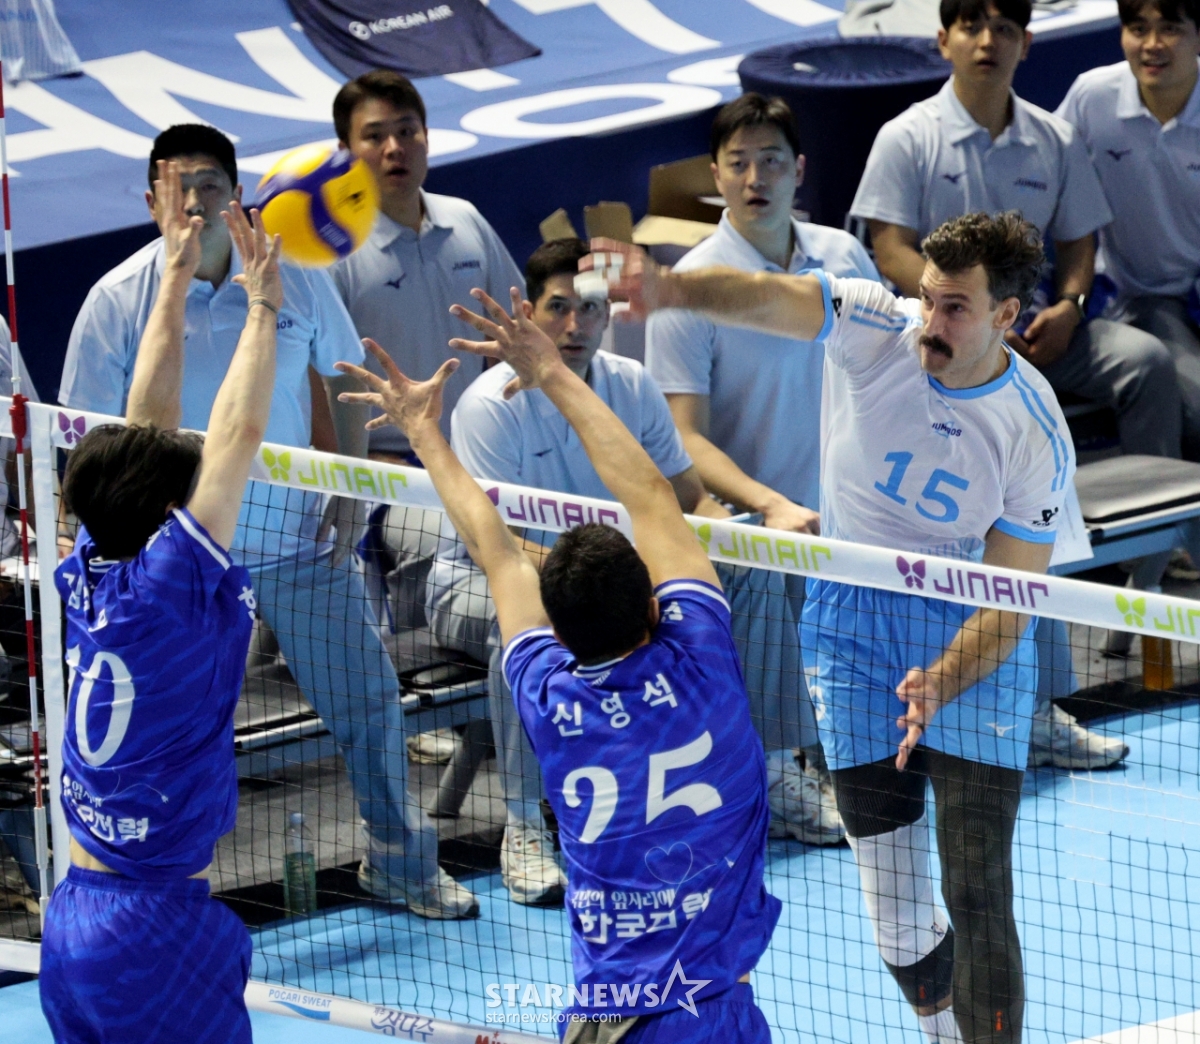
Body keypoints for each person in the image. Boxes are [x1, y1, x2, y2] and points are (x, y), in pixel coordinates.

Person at [590, 210, 1073, 1043]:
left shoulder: (1034, 427)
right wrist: (671, 288)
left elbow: (1009, 601)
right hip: (851, 627)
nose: (930, 321)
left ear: (1005, 314)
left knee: (976, 888)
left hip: (972, 642)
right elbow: (767, 297)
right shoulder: (877, 326)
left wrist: (942, 678)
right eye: (928, 297)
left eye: (955, 308)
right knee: (895, 914)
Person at [332, 290, 782, 1043]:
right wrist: (550, 370)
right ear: (654, 608)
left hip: (601, 1020)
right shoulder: (702, 661)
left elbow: (497, 552)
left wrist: (422, 431)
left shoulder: (544, 688)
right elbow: (649, 493)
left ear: (559, 629)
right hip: (704, 1014)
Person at [59, 125, 477, 918]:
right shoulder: (118, 299)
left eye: (209, 185)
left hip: (296, 544)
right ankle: (173, 892)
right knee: (181, 736)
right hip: (176, 572)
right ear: (150, 201)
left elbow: (345, 378)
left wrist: (349, 491)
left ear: (237, 193)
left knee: (367, 705)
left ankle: (402, 863)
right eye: (176, 189)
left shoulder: (294, 275)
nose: (193, 204)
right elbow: (85, 441)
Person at [850, 0, 1147, 770]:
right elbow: (888, 246)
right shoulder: (907, 137)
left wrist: (1070, 306)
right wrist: (963, 318)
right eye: (972, 27)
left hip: (1035, 337)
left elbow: (1080, 242)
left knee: (1139, 373)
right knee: (992, 533)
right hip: (942, 349)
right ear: (943, 39)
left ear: (1025, 42)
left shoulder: (1054, 136)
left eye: (1004, 28)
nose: (988, 41)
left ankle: (1119, 619)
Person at [426, 237, 733, 904]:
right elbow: (493, 546)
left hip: (609, 581)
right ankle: (522, 826)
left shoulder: (631, 383)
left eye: (589, 308)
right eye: (558, 307)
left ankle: (769, 767)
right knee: (524, 628)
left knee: (746, 575)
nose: (574, 324)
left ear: (609, 314)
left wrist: (735, 539)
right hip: (479, 582)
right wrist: (613, 584)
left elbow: (685, 494)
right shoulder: (490, 404)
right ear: (529, 313)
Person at [38, 184, 276, 1043]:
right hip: (153, 930)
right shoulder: (168, 587)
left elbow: (143, 426)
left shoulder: (86, 565)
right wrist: (262, 307)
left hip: (73, 914)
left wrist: (174, 280)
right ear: (168, 517)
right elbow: (235, 437)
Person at [645, 92, 884, 842]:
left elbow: (886, 372)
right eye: (739, 163)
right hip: (754, 520)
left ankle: (1010, 720)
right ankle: (780, 773)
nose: (756, 179)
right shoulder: (690, 286)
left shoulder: (842, 258)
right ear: (716, 175)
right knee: (758, 571)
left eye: (771, 161)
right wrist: (771, 504)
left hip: (854, 503)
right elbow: (683, 437)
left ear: (799, 169)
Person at [1056, 0, 1200, 458]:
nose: (1152, 45)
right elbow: (1047, 178)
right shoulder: (1092, 97)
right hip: (1146, 299)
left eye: (1170, 29)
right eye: (1138, 29)